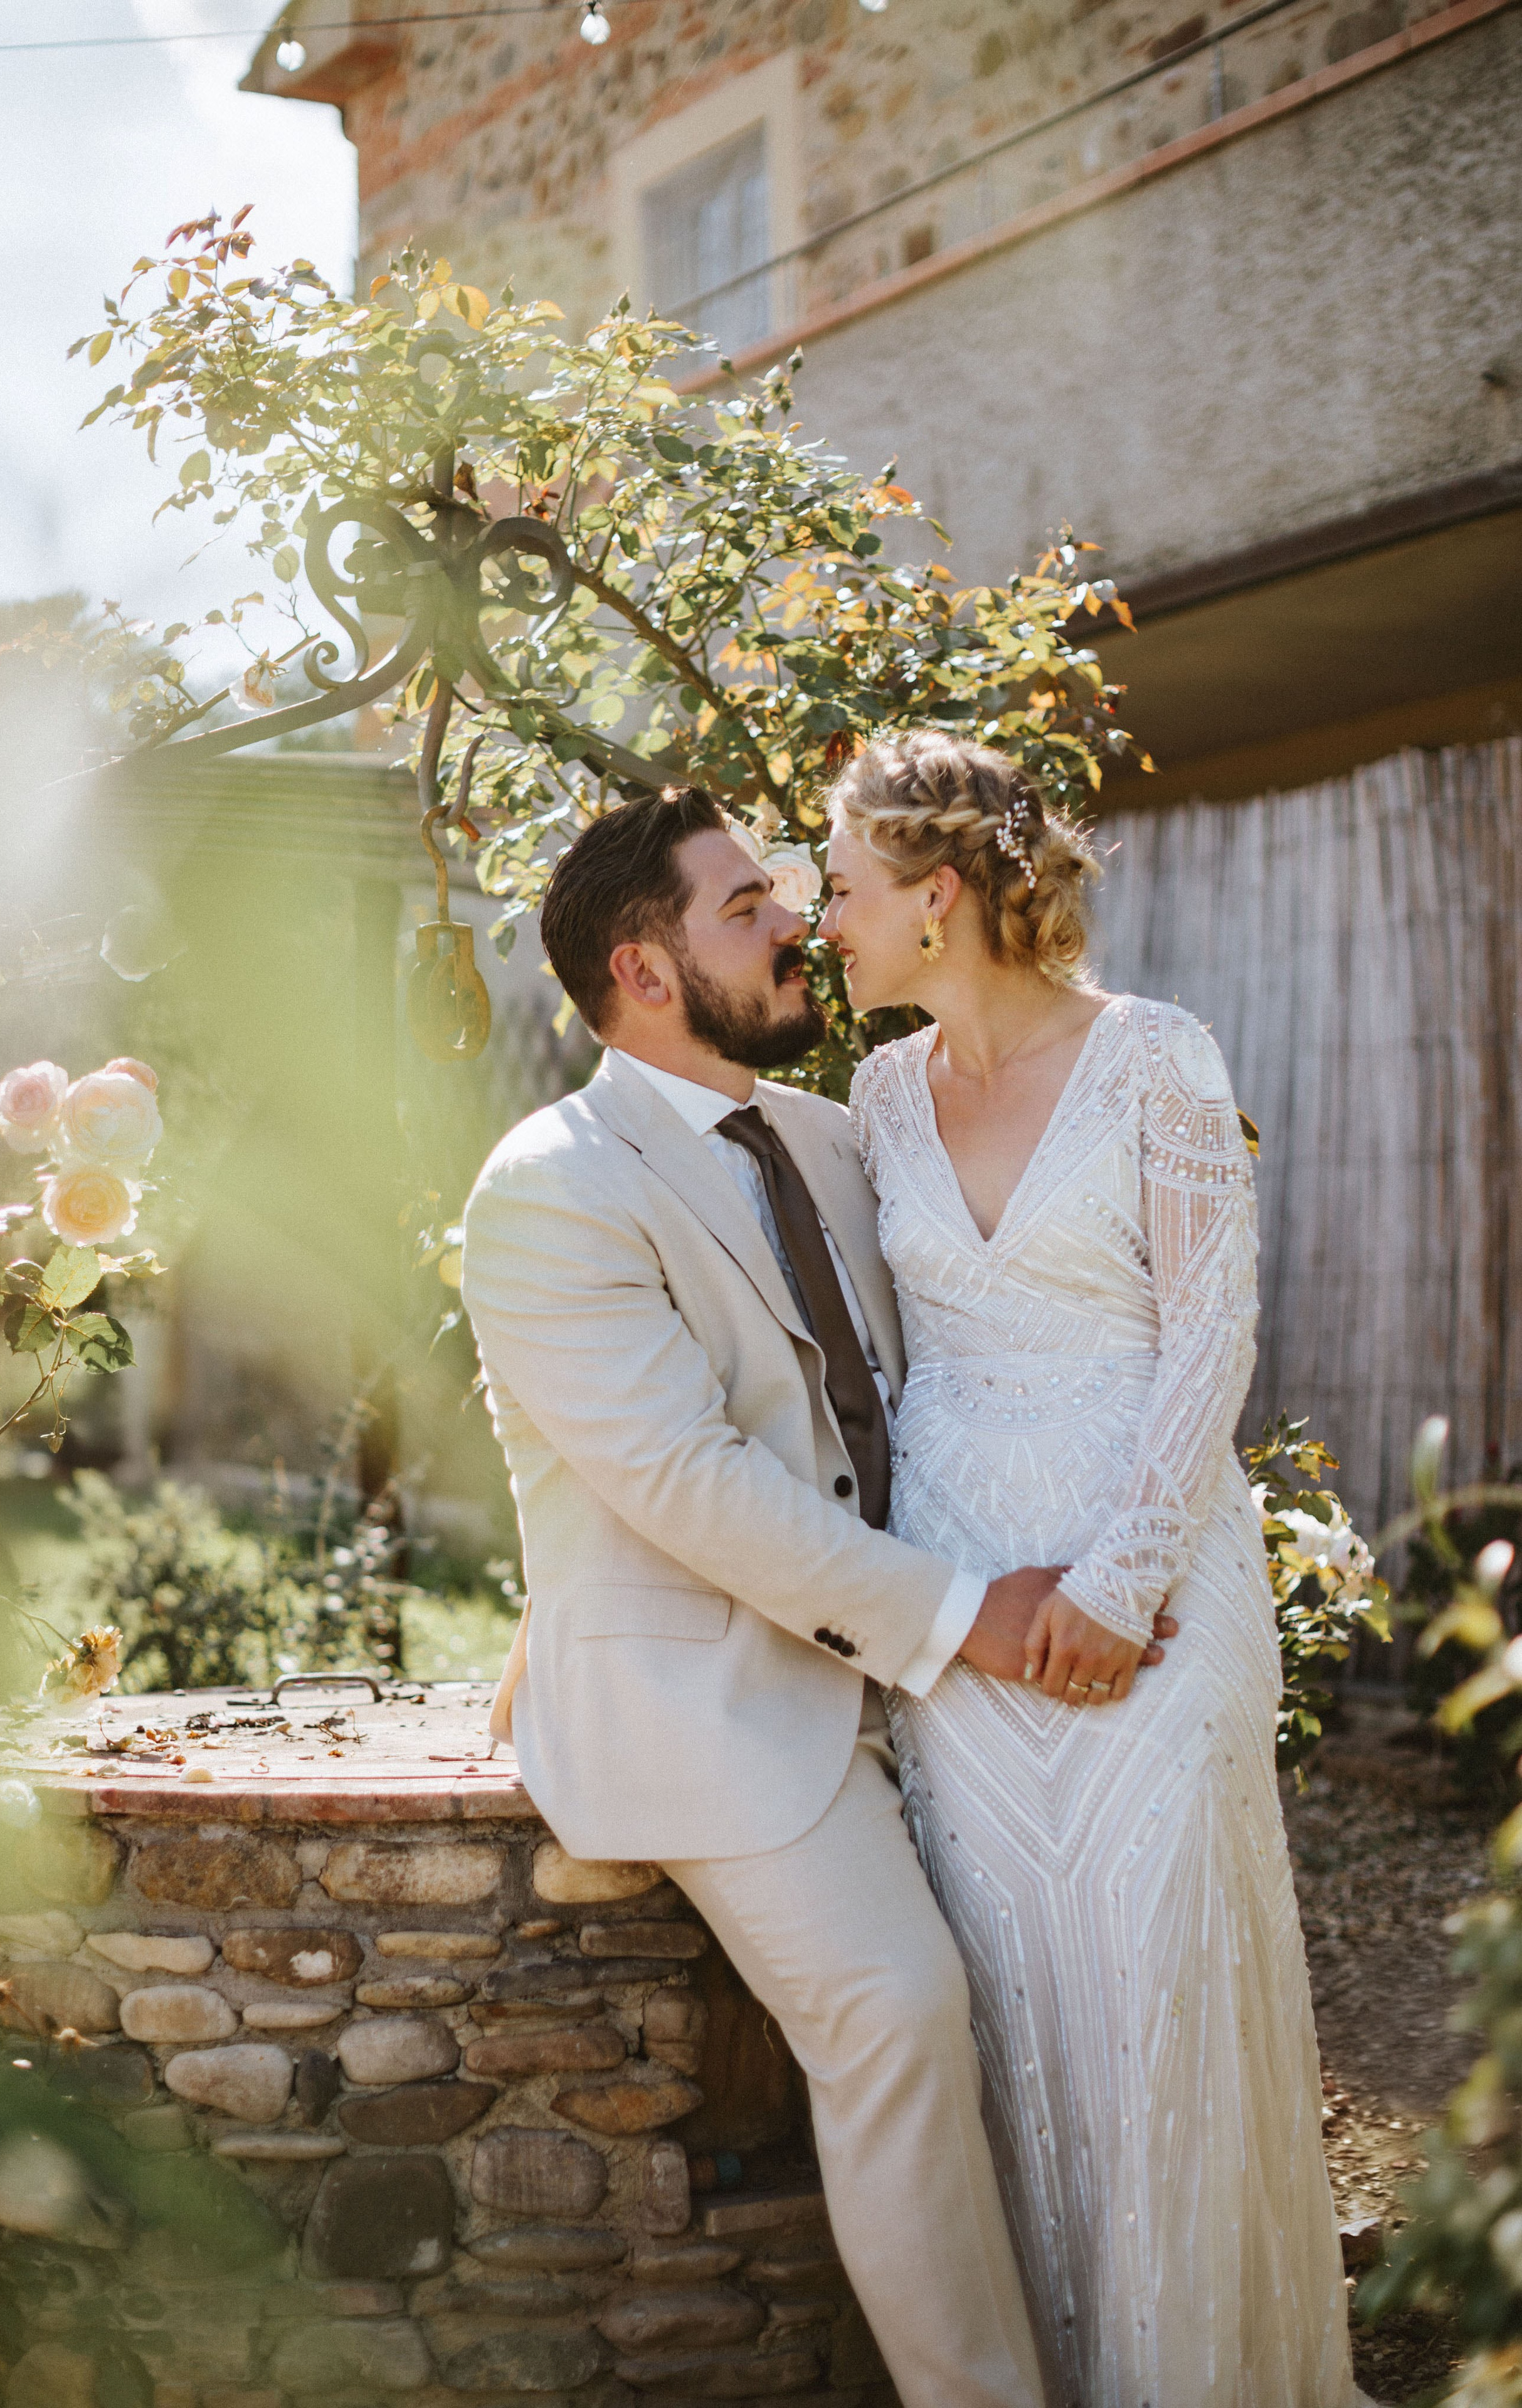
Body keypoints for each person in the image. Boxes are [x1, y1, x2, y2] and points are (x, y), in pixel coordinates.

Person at [460, 786, 1173, 2407]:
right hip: (715, 1699)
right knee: (901, 2012)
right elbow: (692, 1485)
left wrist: (1114, 1567)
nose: (791, 921)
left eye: (786, 893)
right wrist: (972, 1619)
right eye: (741, 907)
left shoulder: (847, 1137)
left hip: (916, 1664)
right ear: (642, 969)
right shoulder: (552, 1185)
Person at [820, 730, 1372, 2408]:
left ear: (935, 896)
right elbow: (901, 1367)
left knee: (1152, 2000)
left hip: (1153, 1601)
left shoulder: (1157, 1059)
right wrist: (936, 1609)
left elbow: (1213, 1333)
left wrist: (1121, 1584)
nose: (820, 915)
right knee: (1012, 2015)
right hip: (968, 1626)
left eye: (841, 885)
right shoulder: (874, 1094)